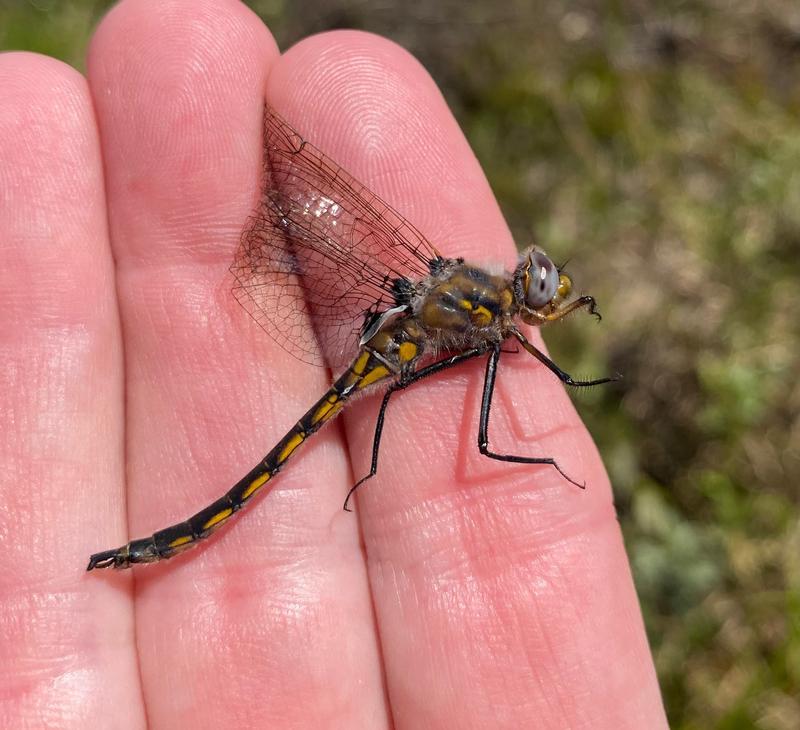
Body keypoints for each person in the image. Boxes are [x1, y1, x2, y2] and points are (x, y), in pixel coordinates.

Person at [0, 0, 667, 726]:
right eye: (540, 291)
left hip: (391, 347)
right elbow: (492, 432)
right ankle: (178, 535)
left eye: (544, 290)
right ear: (515, 300)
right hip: (377, 359)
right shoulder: (488, 322)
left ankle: (346, 480)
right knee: (384, 427)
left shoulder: (483, 309)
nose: (542, 295)